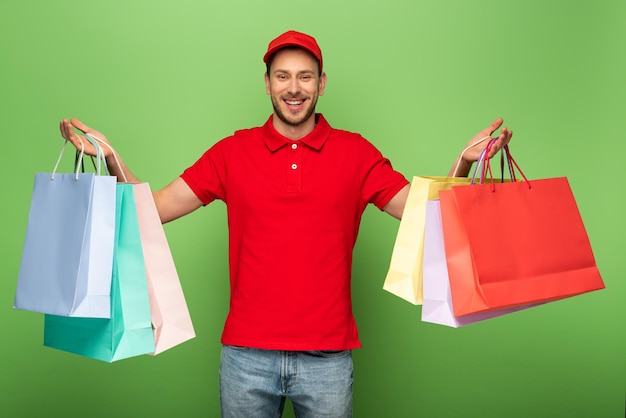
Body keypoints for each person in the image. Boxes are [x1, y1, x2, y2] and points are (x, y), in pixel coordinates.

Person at [59, 30, 512, 418]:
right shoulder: (231, 152)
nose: (293, 88)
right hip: (245, 358)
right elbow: (152, 211)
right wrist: (110, 157)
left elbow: (424, 214)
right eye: (283, 76)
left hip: (328, 359)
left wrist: (465, 164)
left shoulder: (356, 153)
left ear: (321, 83)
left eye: (304, 76)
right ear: (268, 84)